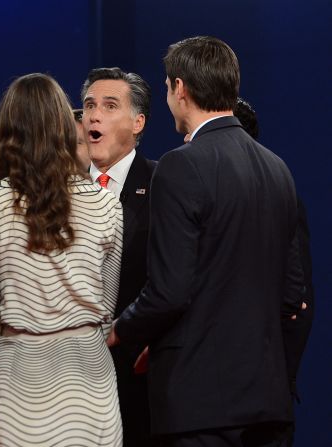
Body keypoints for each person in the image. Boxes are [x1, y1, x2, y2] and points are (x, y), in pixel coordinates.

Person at [108, 36, 305, 446]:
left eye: (166, 88)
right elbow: (291, 297)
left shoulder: (180, 165)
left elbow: (169, 292)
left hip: (200, 405)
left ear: (180, 89)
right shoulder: (278, 169)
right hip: (267, 402)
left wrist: (120, 332)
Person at [0, 73, 124, 447]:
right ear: (64, 126)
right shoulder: (105, 203)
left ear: (7, 130)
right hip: (90, 374)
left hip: (20, 374)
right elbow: (107, 303)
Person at [80, 66, 156, 446]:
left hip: (140, 376)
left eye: (110, 106)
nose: (93, 115)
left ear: (138, 122)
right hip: (71, 379)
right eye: (89, 105)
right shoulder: (59, 191)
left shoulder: (164, 184)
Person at [233, 97, 314, 446]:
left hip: (240, 396)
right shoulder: (283, 182)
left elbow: (297, 297)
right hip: (267, 389)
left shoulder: (278, 191)